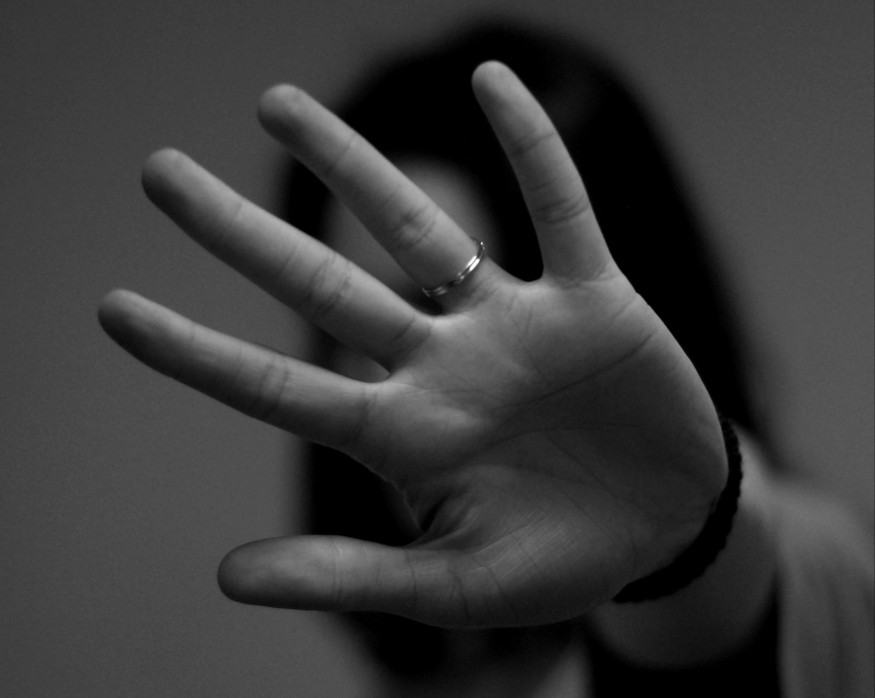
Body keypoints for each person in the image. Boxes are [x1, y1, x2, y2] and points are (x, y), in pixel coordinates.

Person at [99, 21, 873, 698]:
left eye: (438, 308)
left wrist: (684, 548)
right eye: (352, 320)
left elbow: (713, 616)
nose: (378, 376)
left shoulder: (803, 564)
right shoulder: (462, 659)